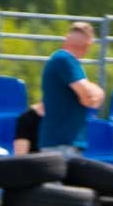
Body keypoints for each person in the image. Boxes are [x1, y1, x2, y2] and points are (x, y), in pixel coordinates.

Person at [39, 22, 104, 155]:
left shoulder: (65, 60)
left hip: (62, 143)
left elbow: (90, 98)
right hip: (62, 144)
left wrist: (95, 93)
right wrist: (97, 92)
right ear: (88, 45)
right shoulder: (65, 59)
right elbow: (89, 98)